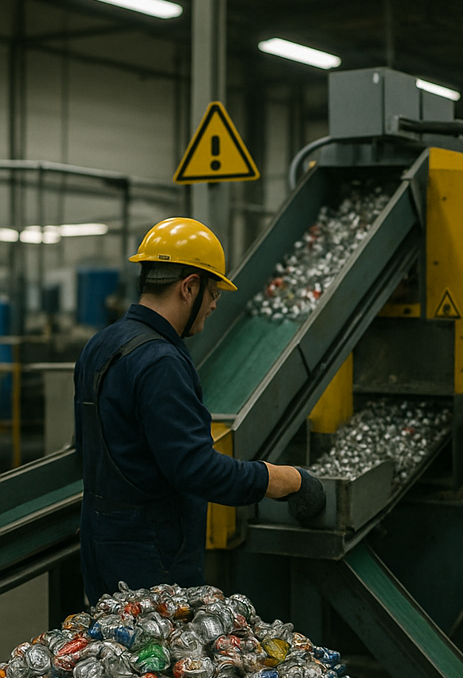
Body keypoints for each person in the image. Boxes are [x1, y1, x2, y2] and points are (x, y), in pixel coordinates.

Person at [74, 217, 326, 603]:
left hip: (101, 547)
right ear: (189, 287)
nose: (214, 305)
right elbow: (198, 470)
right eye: (213, 292)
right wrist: (284, 479)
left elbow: (87, 447)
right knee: (157, 644)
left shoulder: (100, 345)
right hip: (152, 562)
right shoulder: (160, 362)